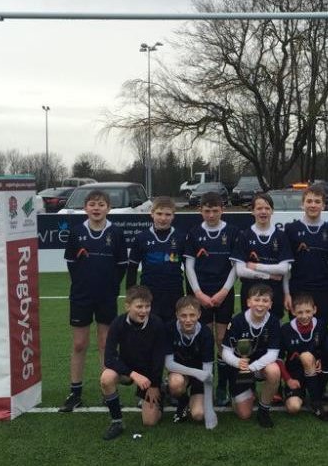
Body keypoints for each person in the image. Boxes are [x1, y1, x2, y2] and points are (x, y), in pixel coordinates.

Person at [59, 189, 128, 412]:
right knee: (79, 344)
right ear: (85, 208)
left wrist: (110, 287)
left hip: (106, 296)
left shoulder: (116, 233)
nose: (96, 208)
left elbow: (121, 267)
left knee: (104, 344)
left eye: (101, 204)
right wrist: (81, 285)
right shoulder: (76, 232)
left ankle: (106, 390)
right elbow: (71, 264)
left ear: (108, 208)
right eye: (92, 204)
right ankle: (75, 392)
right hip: (81, 296)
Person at [184, 191, 239, 408]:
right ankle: (204, 384)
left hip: (223, 294)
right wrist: (198, 293)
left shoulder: (233, 232)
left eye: (215, 210)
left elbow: (236, 266)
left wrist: (224, 291)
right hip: (201, 295)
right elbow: (188, 266)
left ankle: (222, 387)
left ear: (222, 210)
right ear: (201, 211)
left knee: (222, 340)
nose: (211, 214)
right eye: (207, 210)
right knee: (205, 339)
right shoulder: (194, 233)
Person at [99, 286, 165, 440]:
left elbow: (158, 359)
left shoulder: (157, 324)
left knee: (150, 421)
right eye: (139, 306)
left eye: (147, 306)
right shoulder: (118, 323)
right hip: (127, 370)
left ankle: (162, 393)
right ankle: (117, 422)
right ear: (127, 306)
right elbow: (109, 357)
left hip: (149, 375)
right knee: (106, 377)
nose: (143, 311)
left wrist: (154, 385)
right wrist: (132, 374)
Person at [221, 283, 282, 428]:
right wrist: (238, 363)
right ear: (248, 302)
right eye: (257, 300)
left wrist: (253, 367)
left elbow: (273, 354)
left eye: (265, 301)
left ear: (270, 304)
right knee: (244, 414)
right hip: (240, 368)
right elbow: (225, 351)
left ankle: (264, 409)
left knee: (274, 370)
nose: (260, 304)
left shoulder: (273, 322)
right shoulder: (237, 321)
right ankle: (243, 391)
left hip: (259, 367)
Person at [283, 184, 328, 333]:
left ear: (324, 205)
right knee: (297, 329)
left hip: (323, 290)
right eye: (309, 201)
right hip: (298, 288)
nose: (313, 205)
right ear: (302, 204)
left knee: (321, 330)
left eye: (317, 201)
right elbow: (286, 266)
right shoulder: (291, 229)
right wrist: (287, 293)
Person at [232, 193, 293, 319]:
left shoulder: (281, 236)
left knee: (274, 330)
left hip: (274, 291)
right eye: (259, 208)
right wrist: (269, 275)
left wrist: (255, 266)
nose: (263, 212)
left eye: (267, 208)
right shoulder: (244, 236)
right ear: (252, 211)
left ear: (272, 211)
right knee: (251, 331)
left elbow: (284, 269)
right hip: (250, 291)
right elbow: (240, 270)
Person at [126, 196, 185, 323]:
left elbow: (190, 269)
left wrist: (191, 296)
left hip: (174, 293)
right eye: (159, 213)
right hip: (149, 294)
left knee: (172, 331)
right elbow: (132, 268)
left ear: (173, 216)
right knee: (150, 332)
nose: (163, 218)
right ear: (152, 214)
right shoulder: (141, 238)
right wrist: (130, 296)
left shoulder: (181, 238)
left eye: (167, 214)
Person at [165, 295, 217, 428]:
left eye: (192, 315)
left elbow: (207, 374)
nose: (188, 320)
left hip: (201, 377)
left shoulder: (206, 334)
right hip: (180, 373)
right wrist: (194, 372)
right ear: (177, 315)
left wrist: (210, 410)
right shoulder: (169, 329)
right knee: (175, 383)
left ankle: (196, 400)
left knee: (198, 415)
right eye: (183, 315)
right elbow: (169, 364)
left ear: (199, 314)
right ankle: (182, 401)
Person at [278, 293, 327, 419]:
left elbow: (327, 349)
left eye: (308, 311)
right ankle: (301, 394)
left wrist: (322, 360)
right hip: (295, 376)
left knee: (306, 356)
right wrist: (288, 379)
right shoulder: (286, 329)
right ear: (293, 312)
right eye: (300, 312)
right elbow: (278, 359)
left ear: (314, 310)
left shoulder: (321, 326)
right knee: (293, 407)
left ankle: (316, 402)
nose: (304, 316)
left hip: (316, 373)